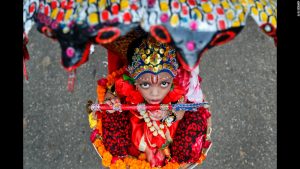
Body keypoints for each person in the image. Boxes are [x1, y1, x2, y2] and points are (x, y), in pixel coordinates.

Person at [92, 36, 212, 168]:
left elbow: (180, 113)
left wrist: (168, 115)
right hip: (136, 130)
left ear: (172, 80)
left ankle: (160, 150)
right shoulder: (126, 84)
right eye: (145, 84)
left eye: (164, 83)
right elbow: (112, 92)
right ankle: (150, 150)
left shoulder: (176, 91)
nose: (155, 94)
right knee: (115, 143)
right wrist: (111, 103)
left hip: (167, 131)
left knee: (187, 148)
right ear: (135, 80)